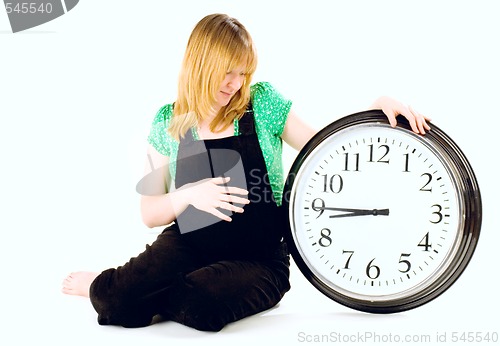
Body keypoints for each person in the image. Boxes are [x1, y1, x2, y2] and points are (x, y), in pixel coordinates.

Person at [61, 13, 430, 332]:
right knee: (116, 302)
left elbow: (327, 145)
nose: (236, 83)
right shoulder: (168, 122)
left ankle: (157, 291)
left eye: (243, 73)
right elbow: (149, 213)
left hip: (258, 258)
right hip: (188, 245)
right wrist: (189, 194)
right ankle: (112, 285)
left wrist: (375, 109)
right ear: (200, 64)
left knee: (201, 306)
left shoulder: (263, 104)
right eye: (227, 72)